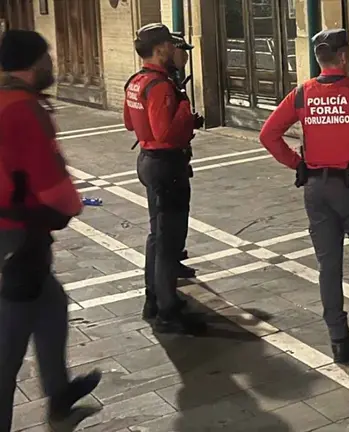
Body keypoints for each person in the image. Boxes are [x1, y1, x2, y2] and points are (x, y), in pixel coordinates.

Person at [259, 29, 349, 364]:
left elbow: (268, 135)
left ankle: (339, 340)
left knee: (329, 266)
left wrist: (298, 164)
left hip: (317, 190)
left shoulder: (302, 94)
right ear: (343, 57)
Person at [0, 30, 101, 432]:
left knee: (52, 304)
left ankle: (59, 392)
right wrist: (72, 204)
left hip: (16, 233)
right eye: (48, 58)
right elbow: (50, 181)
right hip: (16, 236)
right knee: (8, 345)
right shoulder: (23, 108)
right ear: (34, 62)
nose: (53, 66)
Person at [123, 23, 206, 335]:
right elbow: (165, 132)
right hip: (165, 164)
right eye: (171, 45)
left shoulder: (137, 81)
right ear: (160, 49)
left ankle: (154, 298)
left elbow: (129, 122)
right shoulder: (159, 85)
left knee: (157, 236)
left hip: (147, 160)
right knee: (168, 240)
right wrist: (184, 111)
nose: (175, 49)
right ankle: (167, 312)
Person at [169, 32, 197, 280]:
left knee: (178, 213)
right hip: (166, 159)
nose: (186, 57)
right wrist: (186, 118)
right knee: (167, 221)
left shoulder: (174, 78)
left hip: (176, 156)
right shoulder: (164, 82)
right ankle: (163, 292)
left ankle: (175, 258)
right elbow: (163, 129)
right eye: (182, 51)